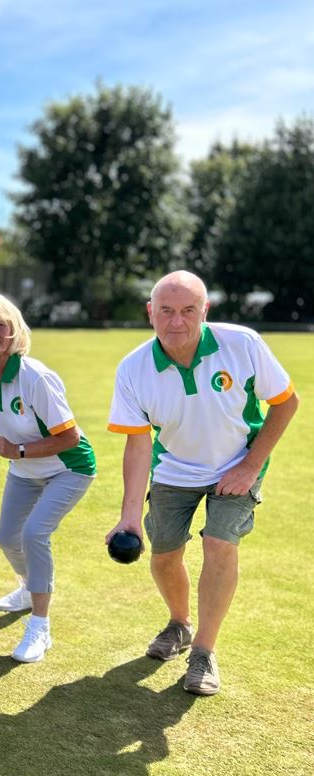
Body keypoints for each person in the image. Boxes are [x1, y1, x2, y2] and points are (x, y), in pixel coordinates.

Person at [107, 270, 298, 695]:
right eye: (167, 311)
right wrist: (129, 518)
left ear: (205, 310)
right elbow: (138, 448)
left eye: (188, 310)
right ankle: (180, 624)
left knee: (219, 542)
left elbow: (286, 403)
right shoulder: (134, 369)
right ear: (150, 313)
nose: (177, 322)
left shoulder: (242, 344)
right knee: (164, 556)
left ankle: (204, 653)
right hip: (174, 468)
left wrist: (250, 466)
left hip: (236, 464)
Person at [0, 294, 95, 662]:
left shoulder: (35, 377)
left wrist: (16, 451)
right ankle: (28, 588)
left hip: (69, 468)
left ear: (14, 332)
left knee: (34, 534)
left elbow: (70, 437)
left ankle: (40, 626)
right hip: (25, 470)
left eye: (0, 326)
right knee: (7, 537)